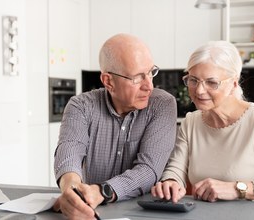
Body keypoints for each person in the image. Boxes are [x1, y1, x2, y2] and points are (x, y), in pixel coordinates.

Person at [151, 41, 254, 203]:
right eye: (193, 80)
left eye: (212, 82)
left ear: (234, 83)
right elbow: (176, 170)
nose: (199, 90)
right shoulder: (191, 122)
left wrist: (238, 188)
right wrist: (170, 182)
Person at [53, 33, 177, 219]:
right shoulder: (80, 106)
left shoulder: (162, 104)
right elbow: (69, 153)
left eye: (151, 72)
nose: (149, 85)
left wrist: (100, 191)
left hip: (145, 214)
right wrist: (72, 190)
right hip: (92, 212)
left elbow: (148, 169)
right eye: (137, 77)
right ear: (108, 81)